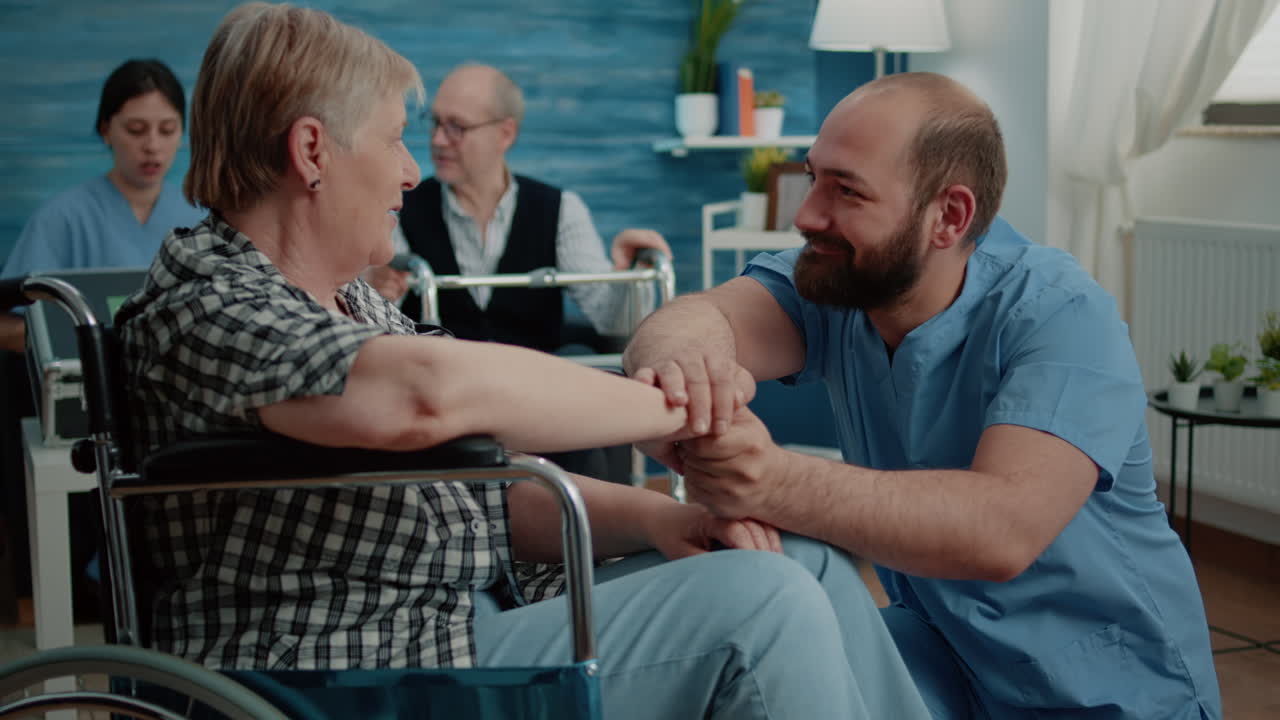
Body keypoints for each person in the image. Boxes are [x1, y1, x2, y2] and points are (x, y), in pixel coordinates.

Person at [115, 5, 930, 718]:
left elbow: (495, 489)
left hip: (462, 619)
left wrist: (666, 519)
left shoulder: (352, 301)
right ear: (312, 152)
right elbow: (424, 397)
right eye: (400, 138)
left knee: (806, 563)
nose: (411, 170)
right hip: (342, 664)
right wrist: (680, 411)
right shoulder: (209, 298)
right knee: (766, 604)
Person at [623, 72, 1221, 719]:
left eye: (846, 191)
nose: (806, 215)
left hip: (1108, 687)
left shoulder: (1063, 315)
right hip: (947, 656)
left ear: (949, 216)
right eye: (813, 177)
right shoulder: (836, 281)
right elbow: (695, 321)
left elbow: (1001, 531)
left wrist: (769, 481)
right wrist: (681, 376)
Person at [369, 63, 670, 354]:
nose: (437, 139)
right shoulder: (400, 207)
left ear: (506, 134)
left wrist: (630, 273)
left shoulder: (562, 210)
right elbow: (374, 326)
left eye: (456, 127)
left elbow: (611, 320)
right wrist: (377, 289)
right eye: (435, 122)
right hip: (440, 392)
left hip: (536, 394)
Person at [0, 58, 202, 353]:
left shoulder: (199, 220)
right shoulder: (62, 219)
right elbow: (5, 325)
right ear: (106, 129)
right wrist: (86, 352)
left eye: (168, 130)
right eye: (136, 129)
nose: (152, 146)